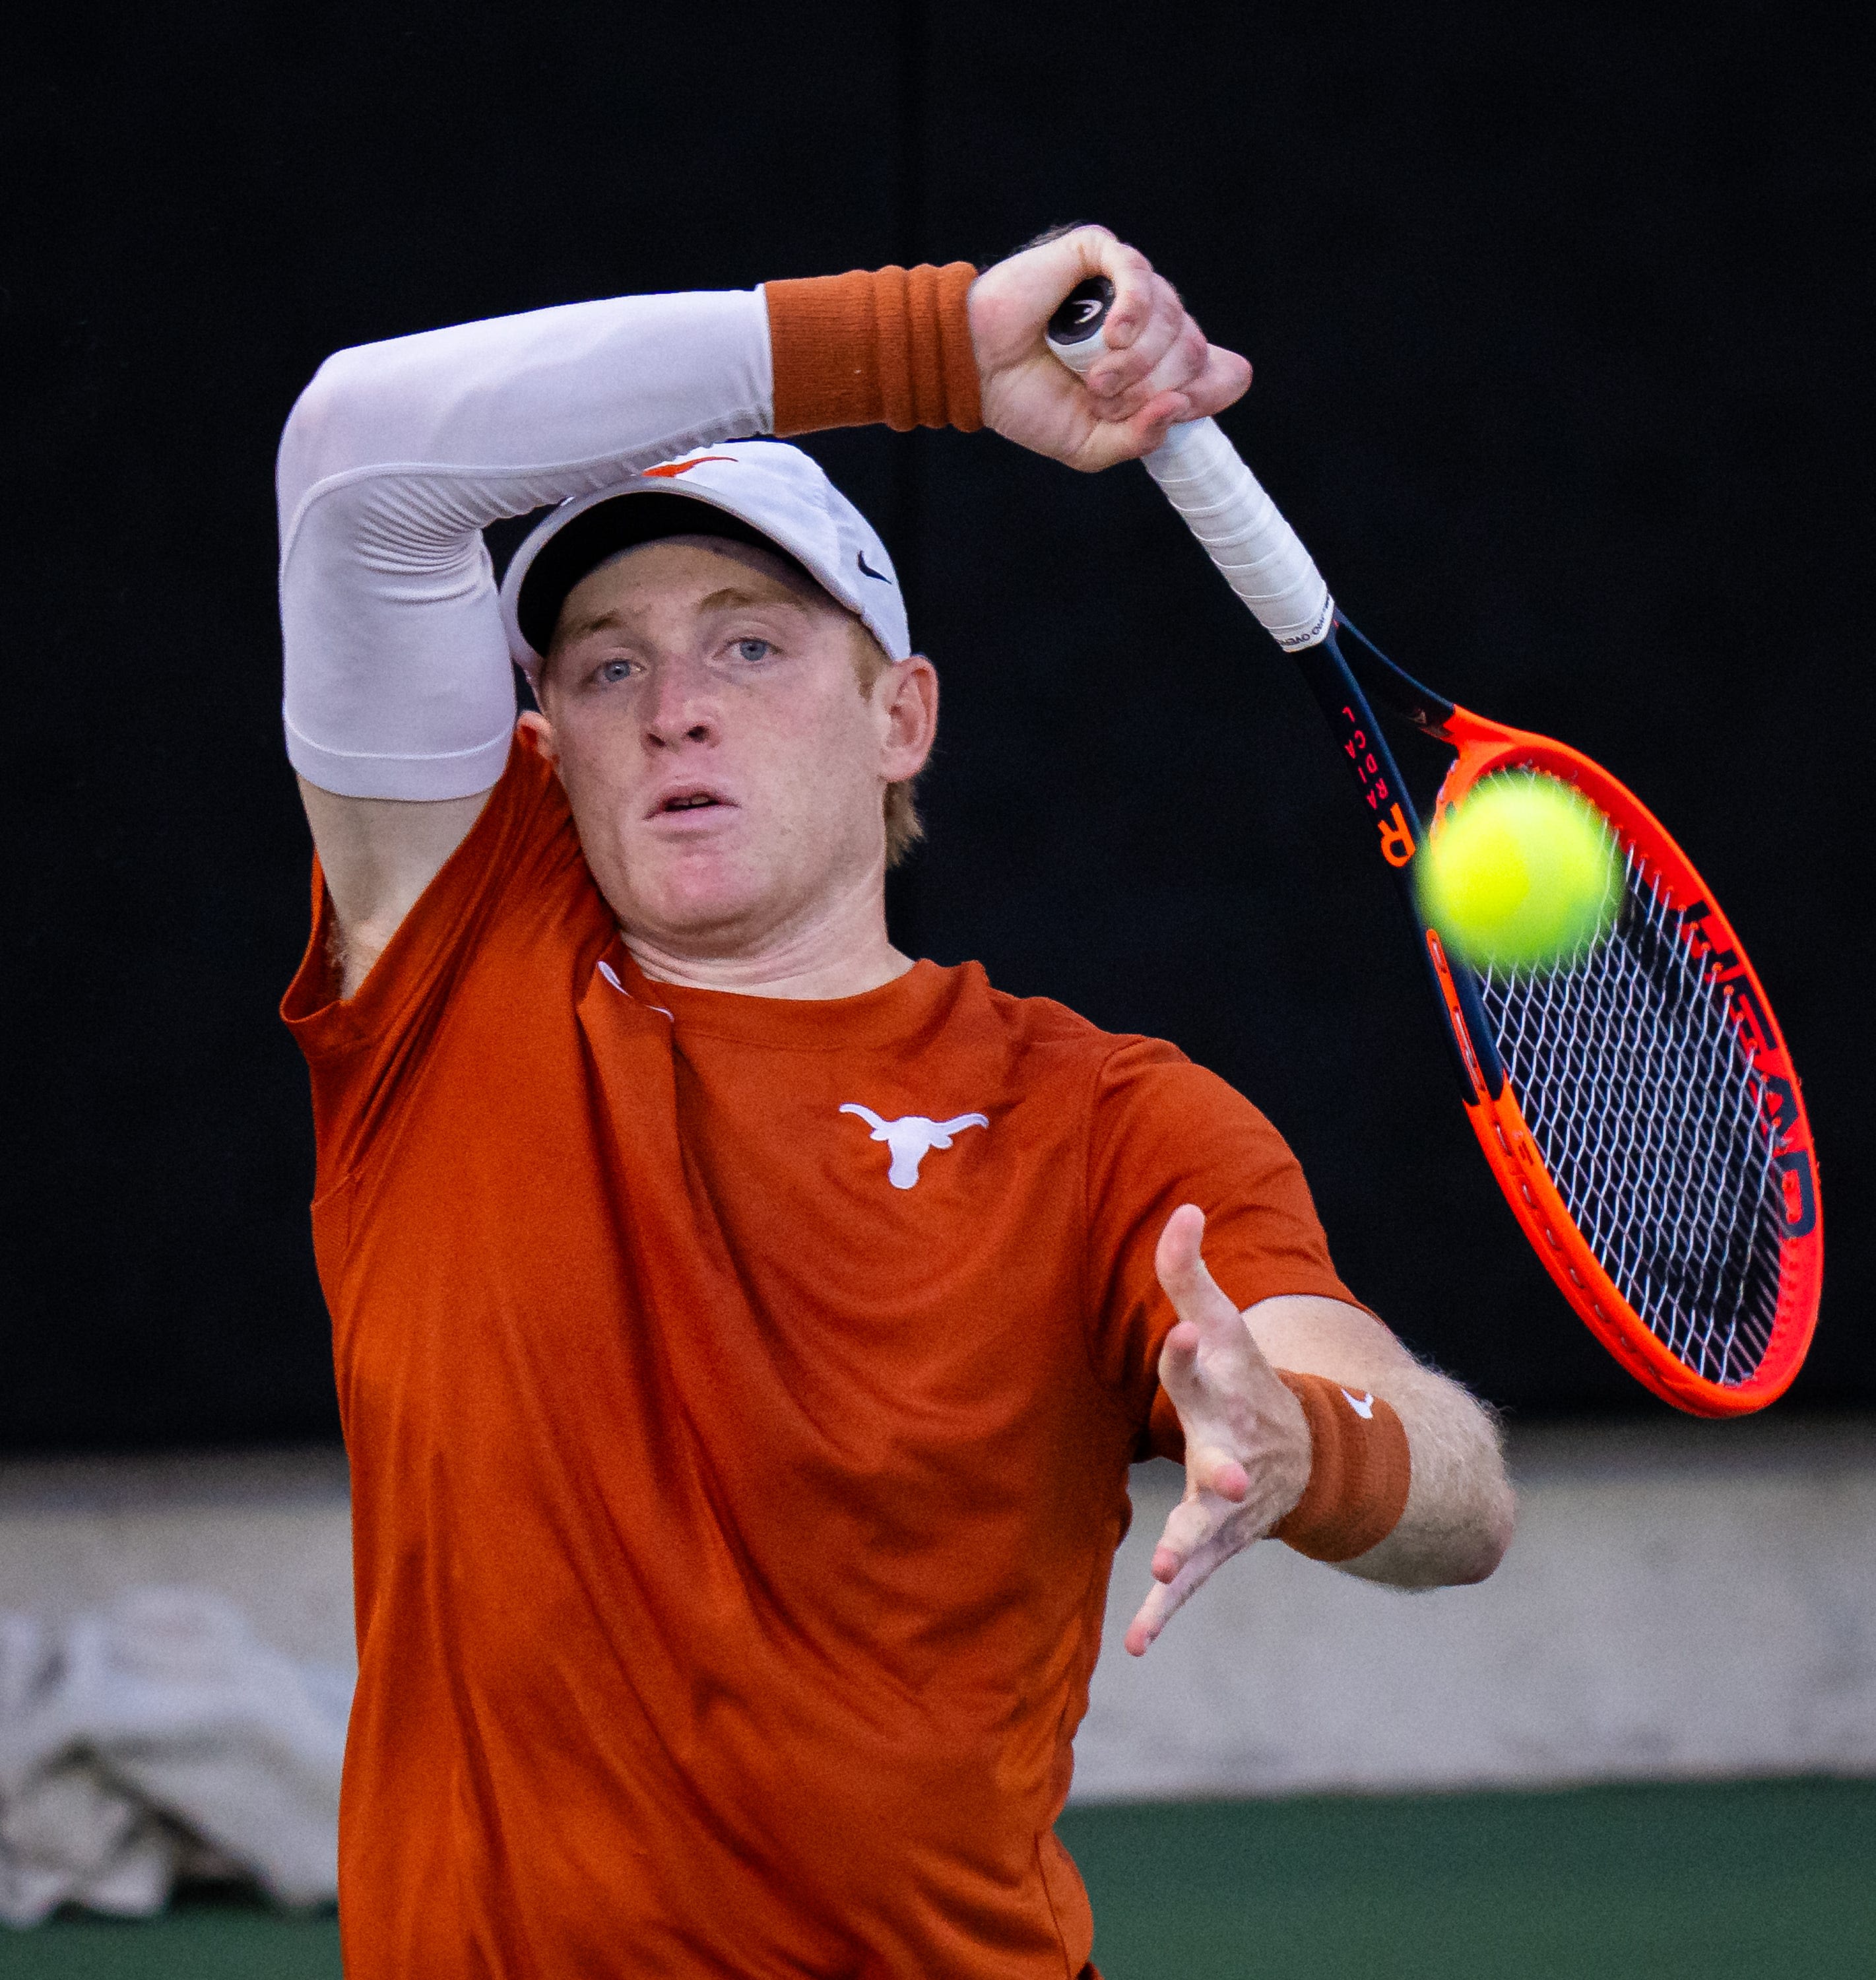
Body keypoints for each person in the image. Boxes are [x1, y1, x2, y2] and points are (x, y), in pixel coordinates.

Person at [278, 224, 1514, 1977]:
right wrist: (924, 346)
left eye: (753, 647)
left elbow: (1458, 1492)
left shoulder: (1105, 1122)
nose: (674, 711)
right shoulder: (451, 985)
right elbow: (357, 454)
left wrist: (1310, 1442)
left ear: (900, 716)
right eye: (607, 665)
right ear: (542, 738)